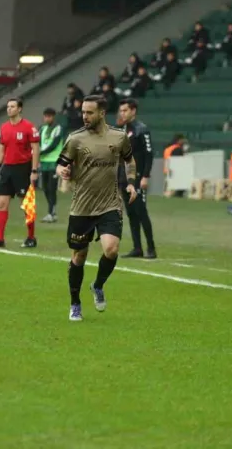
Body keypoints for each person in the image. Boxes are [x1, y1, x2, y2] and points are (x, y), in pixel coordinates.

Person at [55, 95, 137, 322]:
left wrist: (130, 182)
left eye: (89, 112)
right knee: (79, 256)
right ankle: (75, 303)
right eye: (83, 112)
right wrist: (62, 170)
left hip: (109, 204)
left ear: (102, 113)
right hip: (82, 206)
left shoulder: (119, 137)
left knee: (111, 249)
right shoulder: (75, 139)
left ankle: (98, 285)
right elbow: (61, 162)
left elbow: (130, 161)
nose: (85, 116)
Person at [0, 98, 40, 248]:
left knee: (26, 205)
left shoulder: (29, 127)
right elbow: (2, 150)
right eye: (8, 106)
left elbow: (35, 149)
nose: (9, 109)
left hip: (23, 168)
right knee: (2, 203)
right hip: (7, 169)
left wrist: (34, 170)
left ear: (19, 109)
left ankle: (31, 237)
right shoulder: (4, 128)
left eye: (12, 106)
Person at [115, 98, 156, 258]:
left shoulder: (141, 129)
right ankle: (137, 248)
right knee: (131, 213)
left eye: (125, 110)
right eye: (121, 110)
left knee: (141, 212)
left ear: (133, 111)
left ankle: (151, 248)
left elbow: (149, 154)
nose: (122, 113)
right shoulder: (122, 130)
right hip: (124, 178)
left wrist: (145, 176)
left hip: (138, 178)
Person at [38, 107, 65, 222]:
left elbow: (54, 144)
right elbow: (37, 142)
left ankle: (51, 213)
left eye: (49, 116)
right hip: (44, 162)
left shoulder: (58, 128)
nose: (47, 118)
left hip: (54, 162)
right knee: (45, 188)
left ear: (53, 117)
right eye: (46, 116)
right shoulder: (42, 129)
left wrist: (41, 152)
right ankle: (52, 213)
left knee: (51, 188)